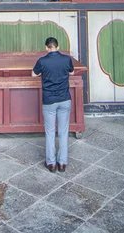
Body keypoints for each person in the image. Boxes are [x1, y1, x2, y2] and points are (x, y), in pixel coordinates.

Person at [32, 37, 74, 173]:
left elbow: (33, 74)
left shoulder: (42, 61)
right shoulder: (66, 59)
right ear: (58, 46)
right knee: (63, 131)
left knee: (50, 132)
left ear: (46, 47)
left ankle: (51, 163)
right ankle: (62, 163)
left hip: (49, 100)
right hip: (64, 99)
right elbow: (72, 72)